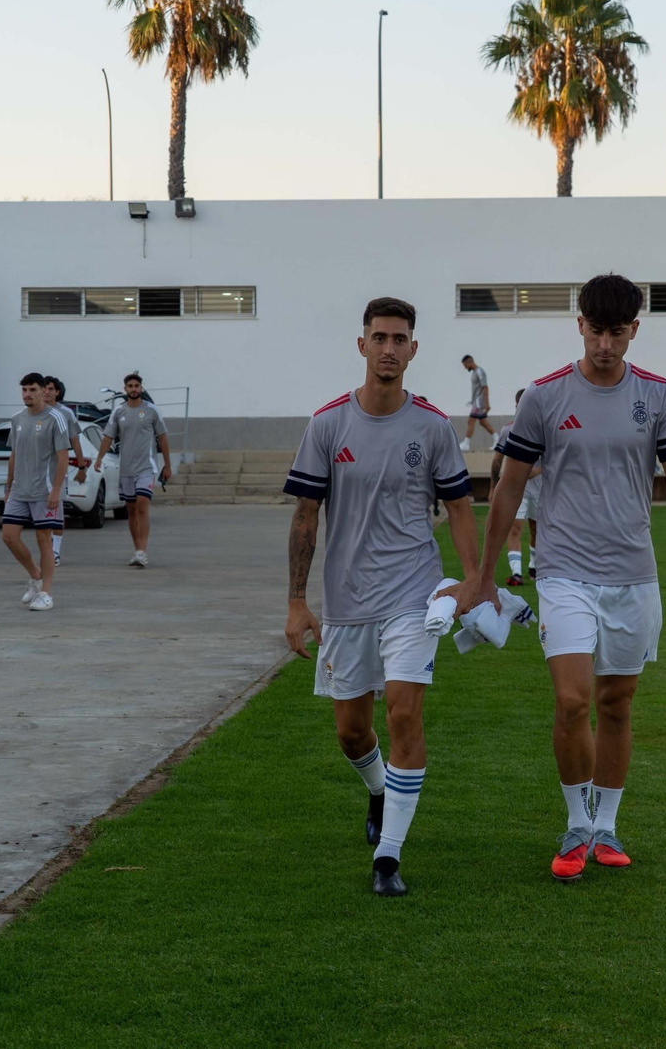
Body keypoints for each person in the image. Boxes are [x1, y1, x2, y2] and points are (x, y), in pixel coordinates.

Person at [444, 273, 666, 883]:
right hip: (565, 572)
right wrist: (483, 575)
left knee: (616, 704)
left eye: (617, 332)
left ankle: (607, 829)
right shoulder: (545, 396)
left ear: (634, 329)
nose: (605, 344)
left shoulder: (658, 395)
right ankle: (577, 823)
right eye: (596, 330)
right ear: (579, 325)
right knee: (573, 701)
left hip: (634, 575)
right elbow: (509, 487)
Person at [283, 296, 481, 898]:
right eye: (380, 337)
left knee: (403, 711)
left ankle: (389, 858)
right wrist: (296, 602)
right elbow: (305, 516)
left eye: (400, 339)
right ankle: (377, 792)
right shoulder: (327, 424)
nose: (389, 348)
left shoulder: (432, 425)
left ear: (414, 349)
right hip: (346, 602)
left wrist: (472, 579)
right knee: (351, 730)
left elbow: (459, 506)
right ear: (362, 345)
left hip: (412, 594)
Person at [1, 373, 70, 611]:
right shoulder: (17, 419)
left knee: (44, 540)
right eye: (24, 390)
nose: (27, 394)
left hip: (45, 491)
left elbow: (63, 457)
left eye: (32, 390)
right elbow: (14, 455)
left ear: (43, 391)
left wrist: (56, 490)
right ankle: (35, 576)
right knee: (8, 536)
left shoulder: (56, 419)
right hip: (20, 490)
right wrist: (8, 487)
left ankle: (46, 593)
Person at [94, 372, 172, 568]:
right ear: (125, 389)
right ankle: (136, 549)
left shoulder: (152, 410)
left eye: (137, 385)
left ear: (141, 388)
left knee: (142, 504)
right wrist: (99, 458)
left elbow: (162, 437)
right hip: (126, 468)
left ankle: (143, 551)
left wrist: (167, 465)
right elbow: (107, 437)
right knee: (131, 509)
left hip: (146, 467)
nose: (134, 389)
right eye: (130, 386)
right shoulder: (118, 412)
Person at [492, 387, 542, 586]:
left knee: (536, 529)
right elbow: (497, 460)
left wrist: (537, 471)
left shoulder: (544, 428)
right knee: (515, 528)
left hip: (540, 489)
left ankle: (533, 565)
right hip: (516, 489)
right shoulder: (508, 429)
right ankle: (516, 573)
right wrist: (492, 487)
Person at [42, 376, 88, 566]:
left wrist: (81, 466)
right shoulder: (35, 412)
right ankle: (45, 550)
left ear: (57, 392)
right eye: (44, 388)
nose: (46, 392)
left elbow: (75, 440)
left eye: (50, 389)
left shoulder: (65, 414)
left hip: (56, 470)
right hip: (36, 472)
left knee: (57, 510)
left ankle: (55, 550)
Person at [459, 355, 495, 451]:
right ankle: (498, 439)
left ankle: (466, 443)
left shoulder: (479, 371)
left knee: (470, 420)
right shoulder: (475, 372)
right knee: (483, 422)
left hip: (479, 403)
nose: (465, 367)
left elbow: (485, 387)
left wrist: (486, 404)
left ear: (469, 362)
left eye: (465, 365)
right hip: (476, 402)